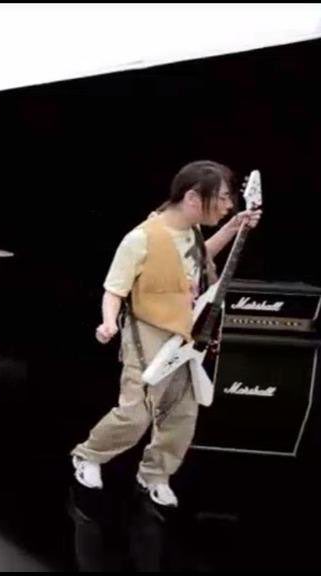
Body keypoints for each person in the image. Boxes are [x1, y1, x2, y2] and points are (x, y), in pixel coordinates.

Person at [70, 160, 262, 507]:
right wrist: (108, 322)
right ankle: (89, 455)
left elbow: (200, 257)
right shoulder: (141, 238)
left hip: (185, 333)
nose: (228, 205)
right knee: (136, 412)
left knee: (182, 414)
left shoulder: (191, 231)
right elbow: (114, 289)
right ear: (193, 197)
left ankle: (155, 474)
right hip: (148, 333)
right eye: (221, 198)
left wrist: (233, 228)